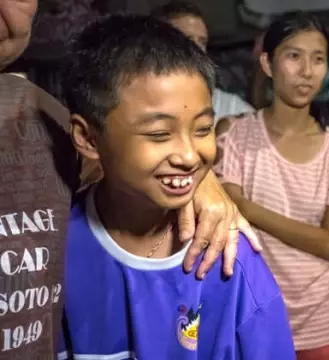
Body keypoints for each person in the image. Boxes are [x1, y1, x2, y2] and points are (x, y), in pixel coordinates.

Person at [0, 1, 256, 358]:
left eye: (202, 128)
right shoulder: (80, 240)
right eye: (158, 133)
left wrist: (198, 181)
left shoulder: (41, 121)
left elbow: (121, 163)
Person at [57, 15, 294, 359]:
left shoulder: (229, 258)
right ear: (88, 138)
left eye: (202, 129)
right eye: (158, 134)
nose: (188, 155)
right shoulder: (53, 249)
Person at [214, 12, 329, 359]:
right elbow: (225, 217)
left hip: (321, 314)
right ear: (267, 63)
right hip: (252, 306)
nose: (307, 71)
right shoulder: (235, 135)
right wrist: (236, 207)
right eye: (294, 56)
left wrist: (246, 207)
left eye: (318, 59)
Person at [151, 0, 254, 122]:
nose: (198, 49)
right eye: (187, 39)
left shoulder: (232, 109)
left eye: (202, 42)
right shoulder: (137, 103)